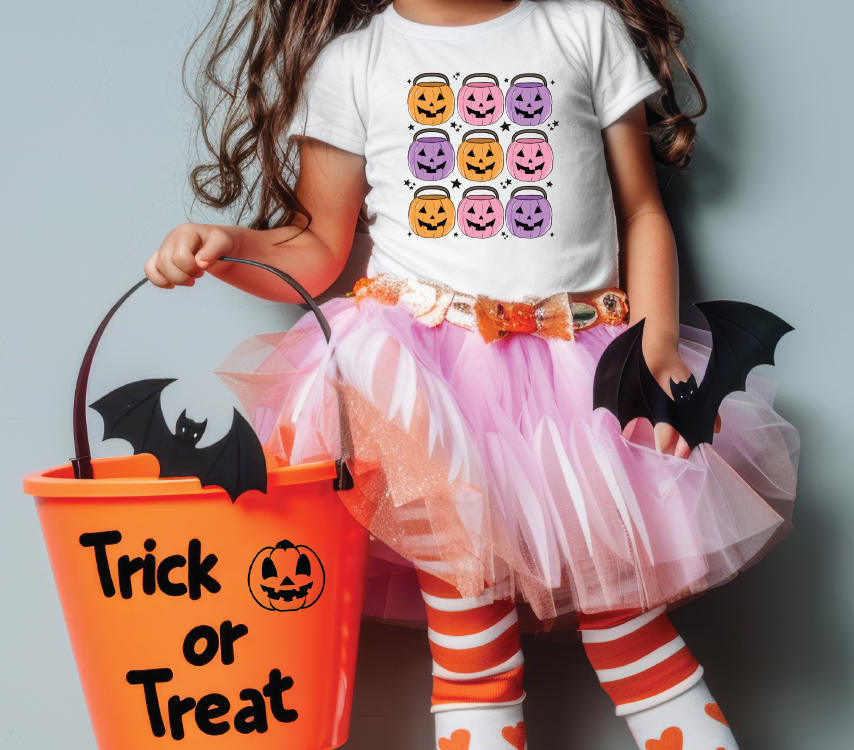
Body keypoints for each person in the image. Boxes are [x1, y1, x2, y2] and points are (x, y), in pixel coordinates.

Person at [145, 1, 799, 747]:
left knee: (627, 621)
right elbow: (319, 248)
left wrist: (655, 357)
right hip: (422, 390)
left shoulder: (582, 29)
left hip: (578, 383)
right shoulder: (354, 65)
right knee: (471, 640)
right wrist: (223, 243)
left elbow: (644, 210)